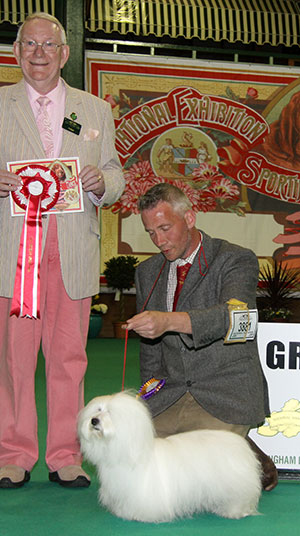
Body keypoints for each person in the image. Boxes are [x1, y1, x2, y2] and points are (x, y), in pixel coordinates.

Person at [0, 12, 124, 488]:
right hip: (16, 252)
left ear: (64, 53)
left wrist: (101, 183)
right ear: (16, 52)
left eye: (48, 45)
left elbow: (114, 172)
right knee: (15, 361)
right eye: (28, 44)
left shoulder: (95, 109)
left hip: (72, 251)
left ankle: (65, 454)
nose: (38, 54)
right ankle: (14, 453)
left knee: (70, 359)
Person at [126, 183, 278, 491]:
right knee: (133, 459)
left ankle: (251, 455)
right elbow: (151, 352)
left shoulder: (235, 259)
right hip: (172, 392)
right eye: (151, 232)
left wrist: (169, 321)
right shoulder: (146, 272)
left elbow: (240, 319)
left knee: (196, 481)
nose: (159, 240)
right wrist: (145, 404)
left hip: (225, 391)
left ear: (190, 218)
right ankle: (237, 447)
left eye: (165, 228)